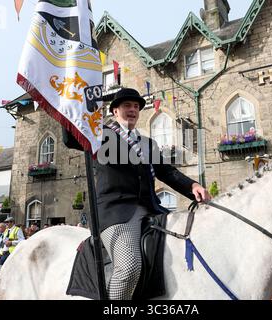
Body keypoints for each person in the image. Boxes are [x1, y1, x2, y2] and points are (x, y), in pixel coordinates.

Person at [63, 87, 210, 300]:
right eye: (126, 106)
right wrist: (70, 104)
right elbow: (70, 138)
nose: (132, 110)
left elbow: (167, 172)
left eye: (135, 107)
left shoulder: (148, 144)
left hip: (152, 209)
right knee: (129, 268)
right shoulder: (101, 136)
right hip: (117, 212)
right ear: (114, 111)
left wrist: (192, 186)